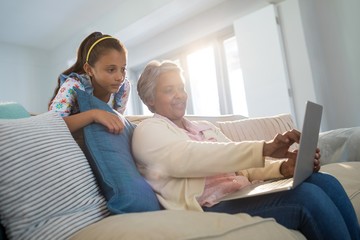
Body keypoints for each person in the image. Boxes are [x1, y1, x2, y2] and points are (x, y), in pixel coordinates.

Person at [132, 60, 360, 240]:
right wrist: (265, 148)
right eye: (169, 90)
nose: (180, 95)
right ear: (150, 100)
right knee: (307, 197)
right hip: (212, 206)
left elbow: (244, 167)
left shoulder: (205, 128)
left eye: (181, 87)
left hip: (244, 192)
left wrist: (283, 167)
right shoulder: (148, 131)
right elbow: (189, 157)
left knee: (324, 181)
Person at [48, 31, 129, 134]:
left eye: (123, 69)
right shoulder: (74, 85)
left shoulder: (123, 87)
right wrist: (94, 115)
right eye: (111, 70)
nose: (120, 77)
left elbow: (117, 123)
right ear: (89, 70)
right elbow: (52, 124)